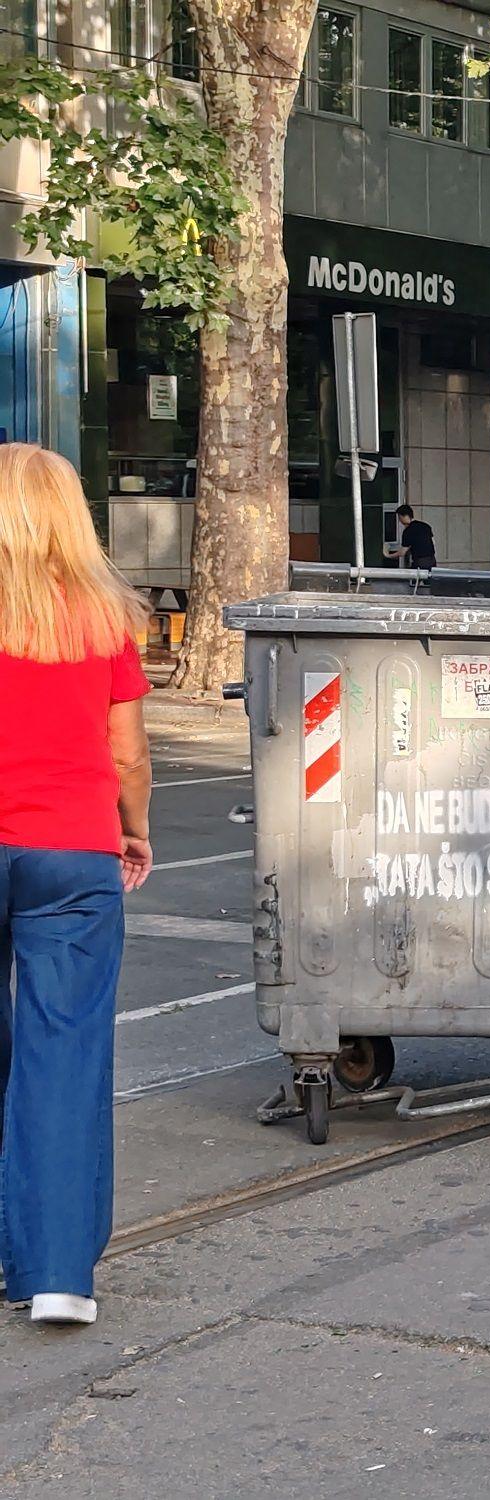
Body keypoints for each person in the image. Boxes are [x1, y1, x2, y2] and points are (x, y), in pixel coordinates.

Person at [0, 444, 153, 1327]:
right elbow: (127, 752)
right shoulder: (104, 614)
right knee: (63, 1055)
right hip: (71, 852)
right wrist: (133, 828)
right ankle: (56, 1274)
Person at [385, 504, 436, 570]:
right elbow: (433, 542)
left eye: (399, 517)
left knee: (413, 575)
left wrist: (388, 555)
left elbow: (402, 552)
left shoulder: (408, 531)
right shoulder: (426, 526)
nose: (399, 520)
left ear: (404, 516)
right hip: (432, 561)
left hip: (420, 563)